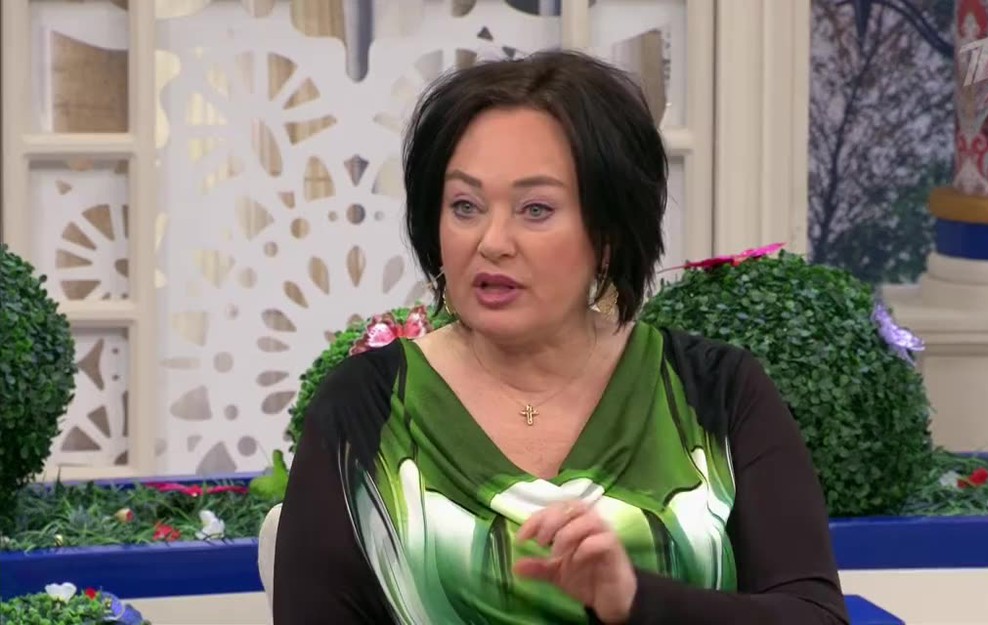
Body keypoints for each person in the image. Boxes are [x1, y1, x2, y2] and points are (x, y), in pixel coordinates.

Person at [273, 50, 848, 624]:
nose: (492, 242)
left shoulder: (716, 393)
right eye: (465, 206)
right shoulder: (366, 410)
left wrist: (634, 601)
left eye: (536, 209)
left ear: (608, 233)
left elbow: (815, 616)